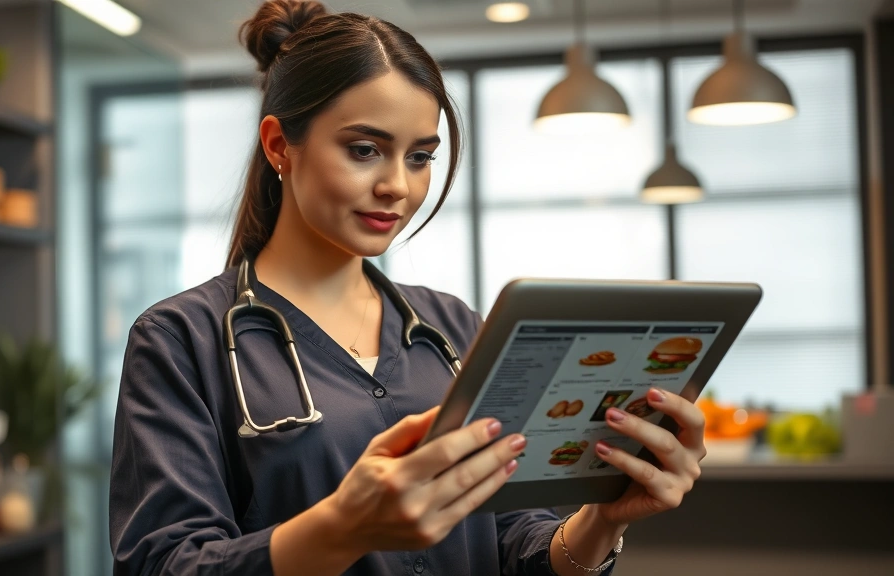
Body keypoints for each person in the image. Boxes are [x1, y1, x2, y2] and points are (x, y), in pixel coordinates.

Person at [108, 1, 708, 574]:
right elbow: (163, 563)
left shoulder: (455, 329)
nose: (398, 185)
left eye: (420, 157)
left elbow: (514, 544)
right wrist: (344, 526)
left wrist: (602, 520)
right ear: (278, 146)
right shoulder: (180, 341)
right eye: (365, 150)